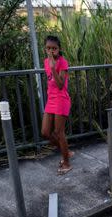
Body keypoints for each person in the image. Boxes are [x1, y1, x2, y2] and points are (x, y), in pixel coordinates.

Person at [41, 35, 74, 174]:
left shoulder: (63, 62)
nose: (51, 51)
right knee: (45, 132)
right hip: (51, 99)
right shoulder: (45, 62)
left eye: (54, 48)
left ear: (59, 49)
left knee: (59, 133)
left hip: (61, 99)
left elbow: (60, 85)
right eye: (48, 48)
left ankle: (66, 163)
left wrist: (54, 68)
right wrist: (50, 65)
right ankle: (66, 151)